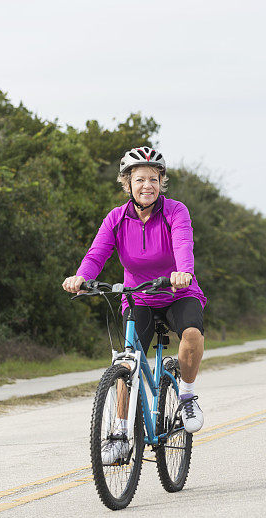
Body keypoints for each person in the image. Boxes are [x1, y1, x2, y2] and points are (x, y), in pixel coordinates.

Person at [62, 146, 207, 462]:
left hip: (177, 293)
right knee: (125, 362)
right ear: (127, 183)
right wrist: (81, 277)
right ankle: (120, 435)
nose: (147, 186)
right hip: (138, 296)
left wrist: (183, 272)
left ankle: (185, 397)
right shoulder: (116, 218)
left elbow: (183, 243)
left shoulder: (175, 212)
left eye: (153, 179)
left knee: (192, 334)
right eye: (140, 179)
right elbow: (96, 254)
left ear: (161, 183)